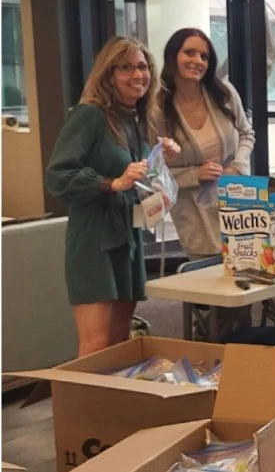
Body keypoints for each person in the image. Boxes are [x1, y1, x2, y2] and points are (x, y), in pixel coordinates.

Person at [45, 36, 180, 357]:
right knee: (96, 345)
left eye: (143, 66)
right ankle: (87, 408)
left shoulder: (136, 118)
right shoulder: (89, 115)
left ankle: (114, 406)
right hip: (94, 239)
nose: (138, 75)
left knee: (121, 339)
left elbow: (139, 174)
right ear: (108, 75)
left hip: (127, 237)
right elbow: (58, 176)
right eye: (127, 68)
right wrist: (112, 183)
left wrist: (162, 160)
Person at [152, 28, 254, 259]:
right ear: (173, 56)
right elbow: (153, 171)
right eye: (189, 53)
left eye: (204, 56)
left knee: (247, 278)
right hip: (194, 213)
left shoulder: (224, 93)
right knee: (207, 284)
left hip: (237, 200)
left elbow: (246, 133)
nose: (197, 61)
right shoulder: (157, 108)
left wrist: (238, 165)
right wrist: (194, 174)